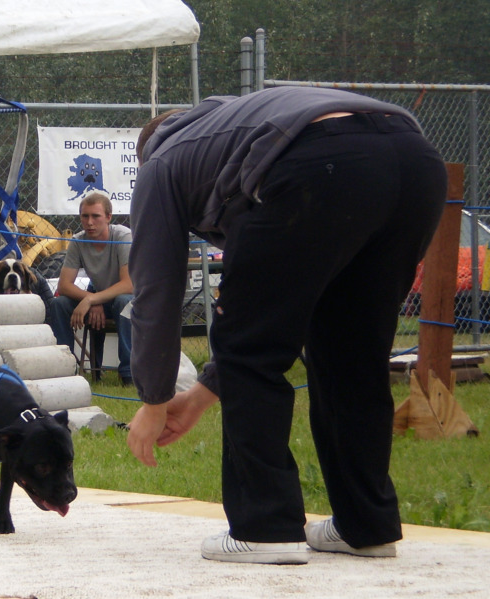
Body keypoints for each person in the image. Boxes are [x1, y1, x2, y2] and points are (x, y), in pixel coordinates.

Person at [126, 86, 447, 565]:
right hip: (416, 161)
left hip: (322, 162)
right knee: (351, 353)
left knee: (251, 350)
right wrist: (201, 393)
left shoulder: (161, 163)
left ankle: (265, 527)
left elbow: (156, 288)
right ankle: (366, 525)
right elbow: (271, 310)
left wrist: (153, 400)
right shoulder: (235, 134)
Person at [48, 191, 134, 384]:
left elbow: (128, 285)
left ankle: (129, 373)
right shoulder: (78, 241)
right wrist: (91, 299)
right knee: (59, 304)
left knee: (123, 302)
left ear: (108, 217)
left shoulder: (123, 236)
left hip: (132, 301)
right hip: (100, 298)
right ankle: (65, 368)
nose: (89, 222)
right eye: (85, 216)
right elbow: (64, 285)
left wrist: (91, 299)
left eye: (96, 216)